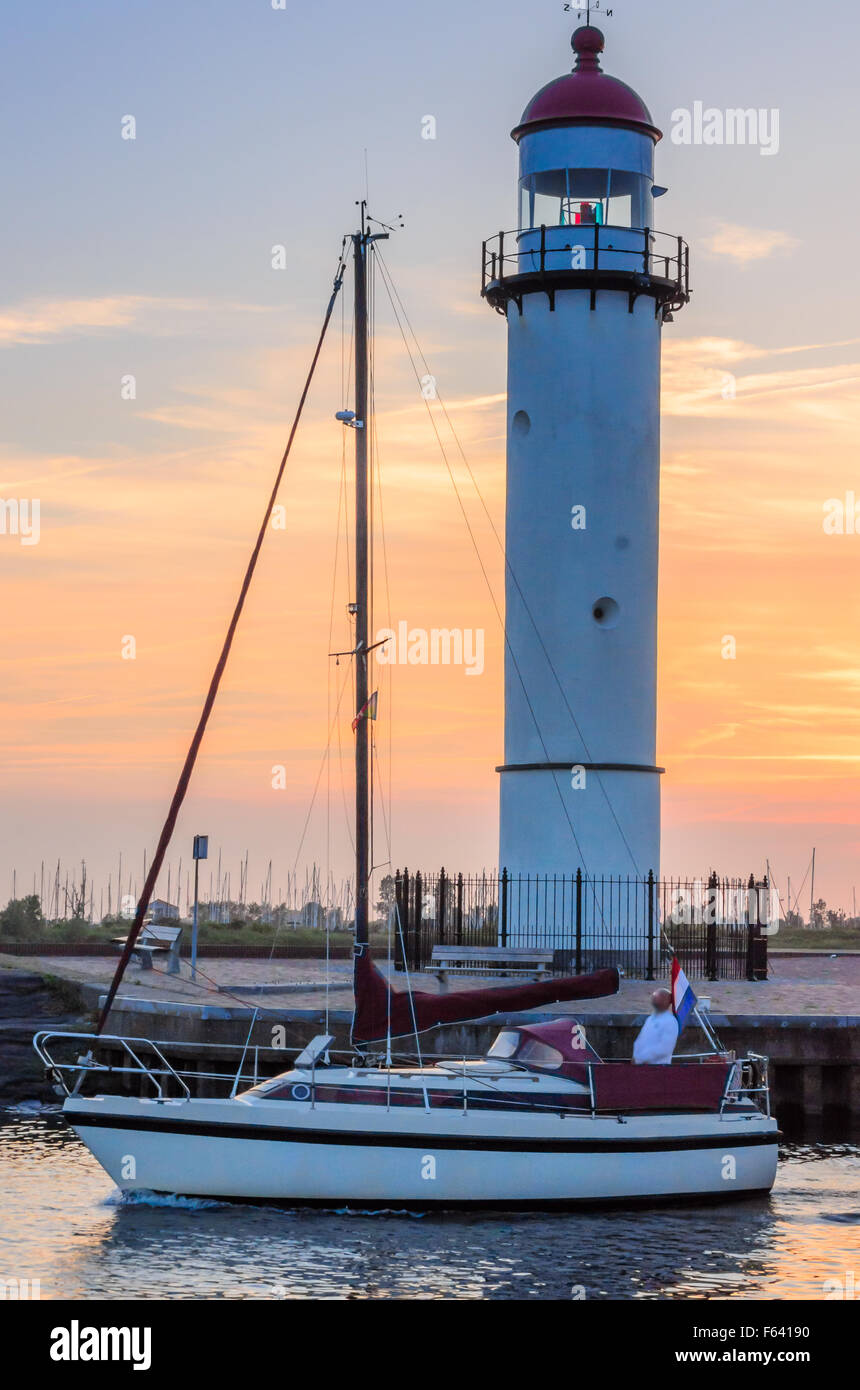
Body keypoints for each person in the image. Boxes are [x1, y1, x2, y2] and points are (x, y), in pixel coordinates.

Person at [633, 987, 679, 1065]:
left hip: (659, 1067)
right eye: (655, 995)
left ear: (667, 1001)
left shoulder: (670, 1021)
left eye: (660, 996)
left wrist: (641, 1058)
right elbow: (640, 1041)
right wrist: (635, 1057)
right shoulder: (650, 1019)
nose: (655, 998)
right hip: (641, 1066)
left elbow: (665, 1048)